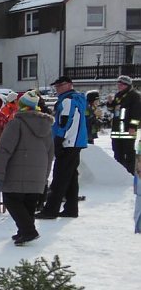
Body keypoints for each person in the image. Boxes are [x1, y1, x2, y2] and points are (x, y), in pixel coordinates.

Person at [0, 91, 55, 246]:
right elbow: (50, 153)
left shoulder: (16, 123)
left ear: (21, 106)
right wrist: (44, 178)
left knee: (11, 200)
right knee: (29, 202)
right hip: (38, 173)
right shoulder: (46, 126)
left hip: (17, 172)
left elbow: (4, 150)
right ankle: (24, 231)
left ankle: (28, 231)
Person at [37, 75, 87, 219]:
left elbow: (65, 122)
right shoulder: (77, 99)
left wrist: (59, 140)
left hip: (67, 143)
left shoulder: (67, 100)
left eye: (60, 85)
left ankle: (50, 210)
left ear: (69, 85)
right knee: (71, 177)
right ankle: (71, 208)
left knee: (59, 177)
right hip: (75, 142)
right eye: (56, 86)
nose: (57, 88)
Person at [106, 75, 141, 173]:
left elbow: (137, 113)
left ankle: (129, 173)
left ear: (127, 85)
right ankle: (119, 173)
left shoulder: (134, 96)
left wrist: (133, 126)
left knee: (128, 153)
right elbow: (112, 109)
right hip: (117, 130)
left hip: (128, 130)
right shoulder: (118, 95)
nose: (119, 86)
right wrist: (110, 103)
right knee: (117, 153)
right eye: (118, 84)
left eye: (121, 84)